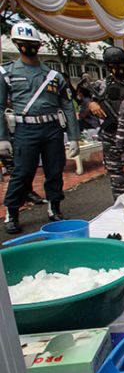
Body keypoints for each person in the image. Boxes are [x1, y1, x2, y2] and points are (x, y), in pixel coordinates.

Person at [0, 22, 80, 234]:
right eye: (24, 43)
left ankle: (54, 206)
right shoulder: (7, 73)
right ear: (16, 43)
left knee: (54, 169)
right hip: (25, 130)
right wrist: (3, 137)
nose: (29, 47)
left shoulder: (54, 76)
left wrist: (73, 136)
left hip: (51, 127)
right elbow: (0, 106)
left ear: (39, 45)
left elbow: (68, 108)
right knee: (23, 172)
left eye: (33, 43)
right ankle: (12, 211)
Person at [87, 46, 124, 198]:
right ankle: (119, 208)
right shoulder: (100, 86)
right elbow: (86, 100)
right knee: (118, 180)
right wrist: (91, 104)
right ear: (109, 67)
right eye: (116, 66)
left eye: (123, 66)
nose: (120, 70)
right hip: (111, 137)